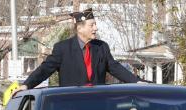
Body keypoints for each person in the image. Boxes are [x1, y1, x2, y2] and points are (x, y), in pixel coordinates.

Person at [12, 8, 142, 95]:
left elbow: (115, 68)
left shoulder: (101, 47)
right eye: (92, 25)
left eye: (95, 25)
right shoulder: (63, 49)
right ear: (80, 28)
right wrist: (27, 85)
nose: (96, 28)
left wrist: (136, 82)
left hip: (98, 109)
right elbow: (45, 69)